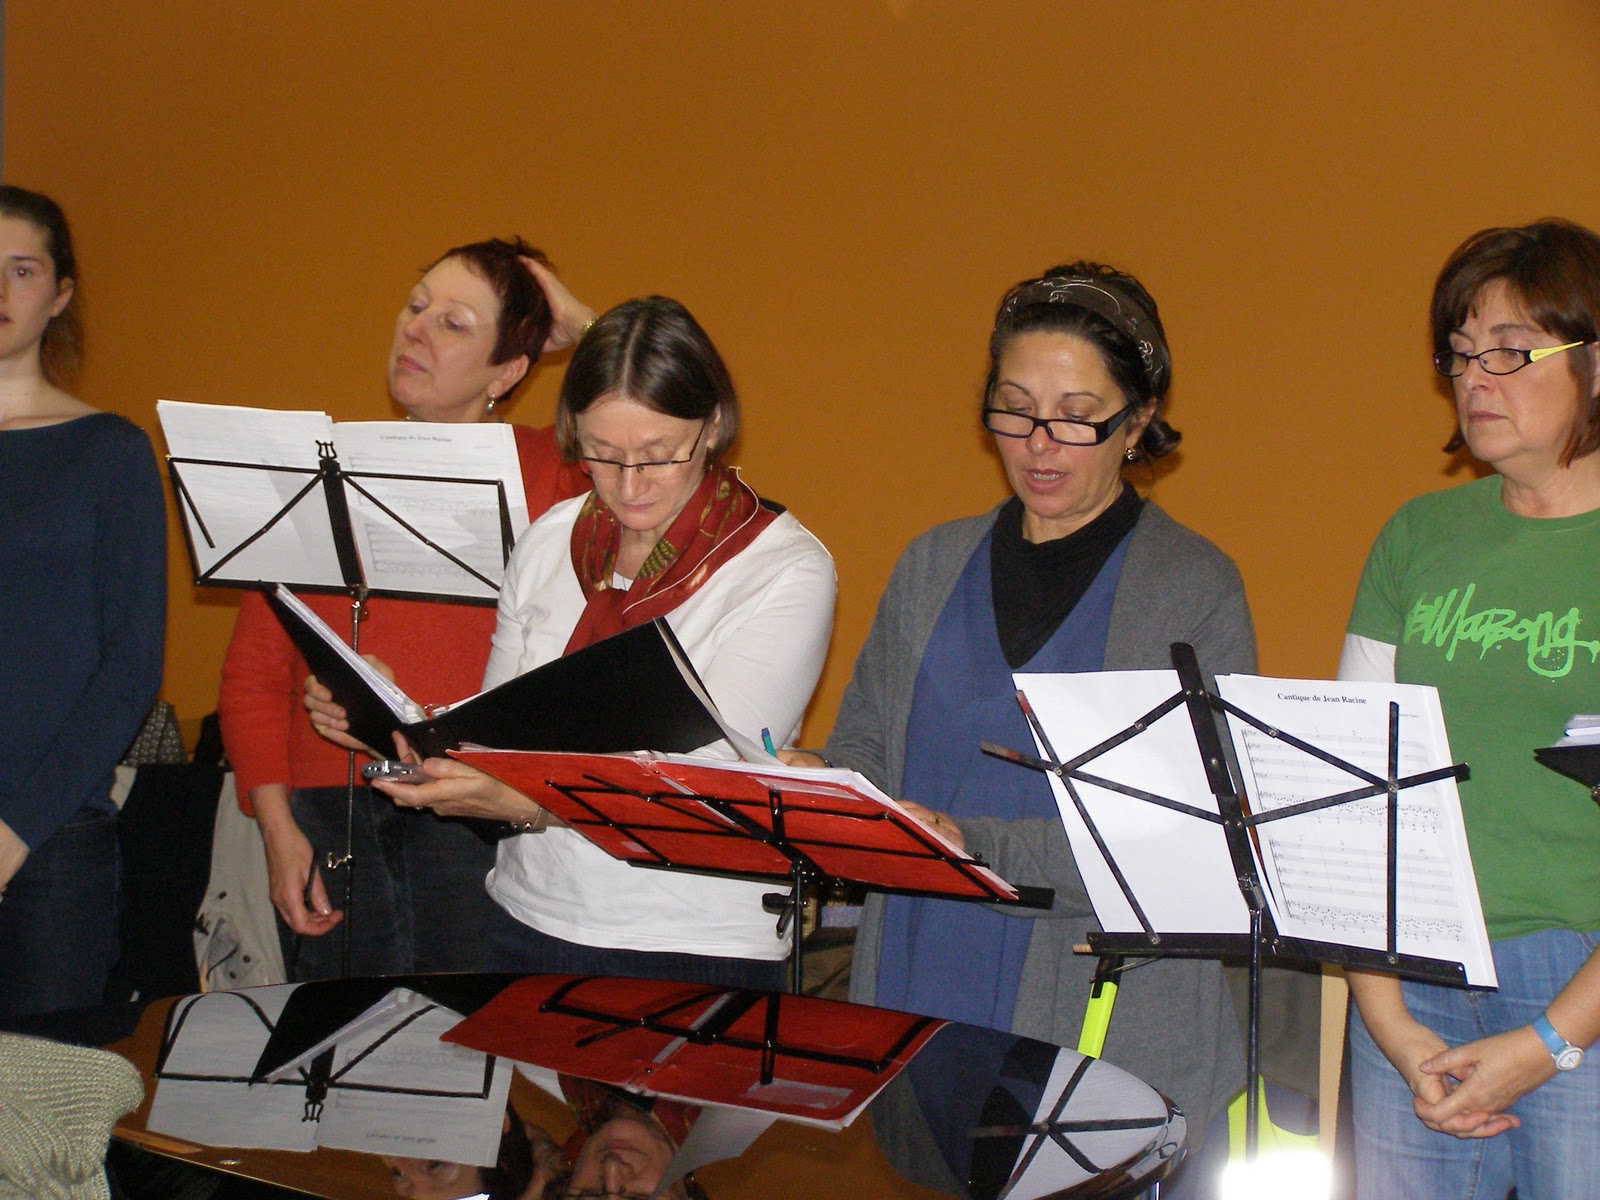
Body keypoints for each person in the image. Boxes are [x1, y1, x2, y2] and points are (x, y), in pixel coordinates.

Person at [785, 262, 1252, 1171]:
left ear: (1138, 422)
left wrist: (969, 842)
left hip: (1103, 1017)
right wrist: (822, 791)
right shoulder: (931, 564)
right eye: (1014, 409)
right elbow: (868, 748)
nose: (1040, 444)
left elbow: (1178, 846)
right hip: (919, 984)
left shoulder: (1193, 588)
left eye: (1077, 416)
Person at [317, 295, 835, 991]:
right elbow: (499, 731)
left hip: (695, 938)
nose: (630, 485)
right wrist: (395, 722)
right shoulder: (550, 539)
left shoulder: (782, 569)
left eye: (659, 455)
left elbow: (711, 784)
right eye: (603, 454)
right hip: (529, 914)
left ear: (713, 426)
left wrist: (530, 805)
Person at [218, 237, 590, 980]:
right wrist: (277, 829)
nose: (416, 329)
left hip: (468, 809)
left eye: (453, 322)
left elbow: (667, 424)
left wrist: (582, 324)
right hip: (326, 809)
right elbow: (253, 675)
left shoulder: (557, 475)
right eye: (416, 307)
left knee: (461, 1033)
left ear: (508, 371)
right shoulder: (316, 476)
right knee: (338, 1034)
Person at [1340, 218, 1600, 1198]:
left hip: (1582, 983)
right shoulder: (1417, 536)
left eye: (1510, 352)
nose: (1474, 379)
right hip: (1411, 976)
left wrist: (1550, 1041)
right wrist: (1390, 1023)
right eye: (1459, 353)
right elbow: (1350, 788)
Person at [0, 185, 166, 1021]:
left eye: (21, 269)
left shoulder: (110, 451)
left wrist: (16, 831)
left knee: (42, 1098)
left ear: (59, 294)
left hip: (53, 839)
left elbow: (130, 668)